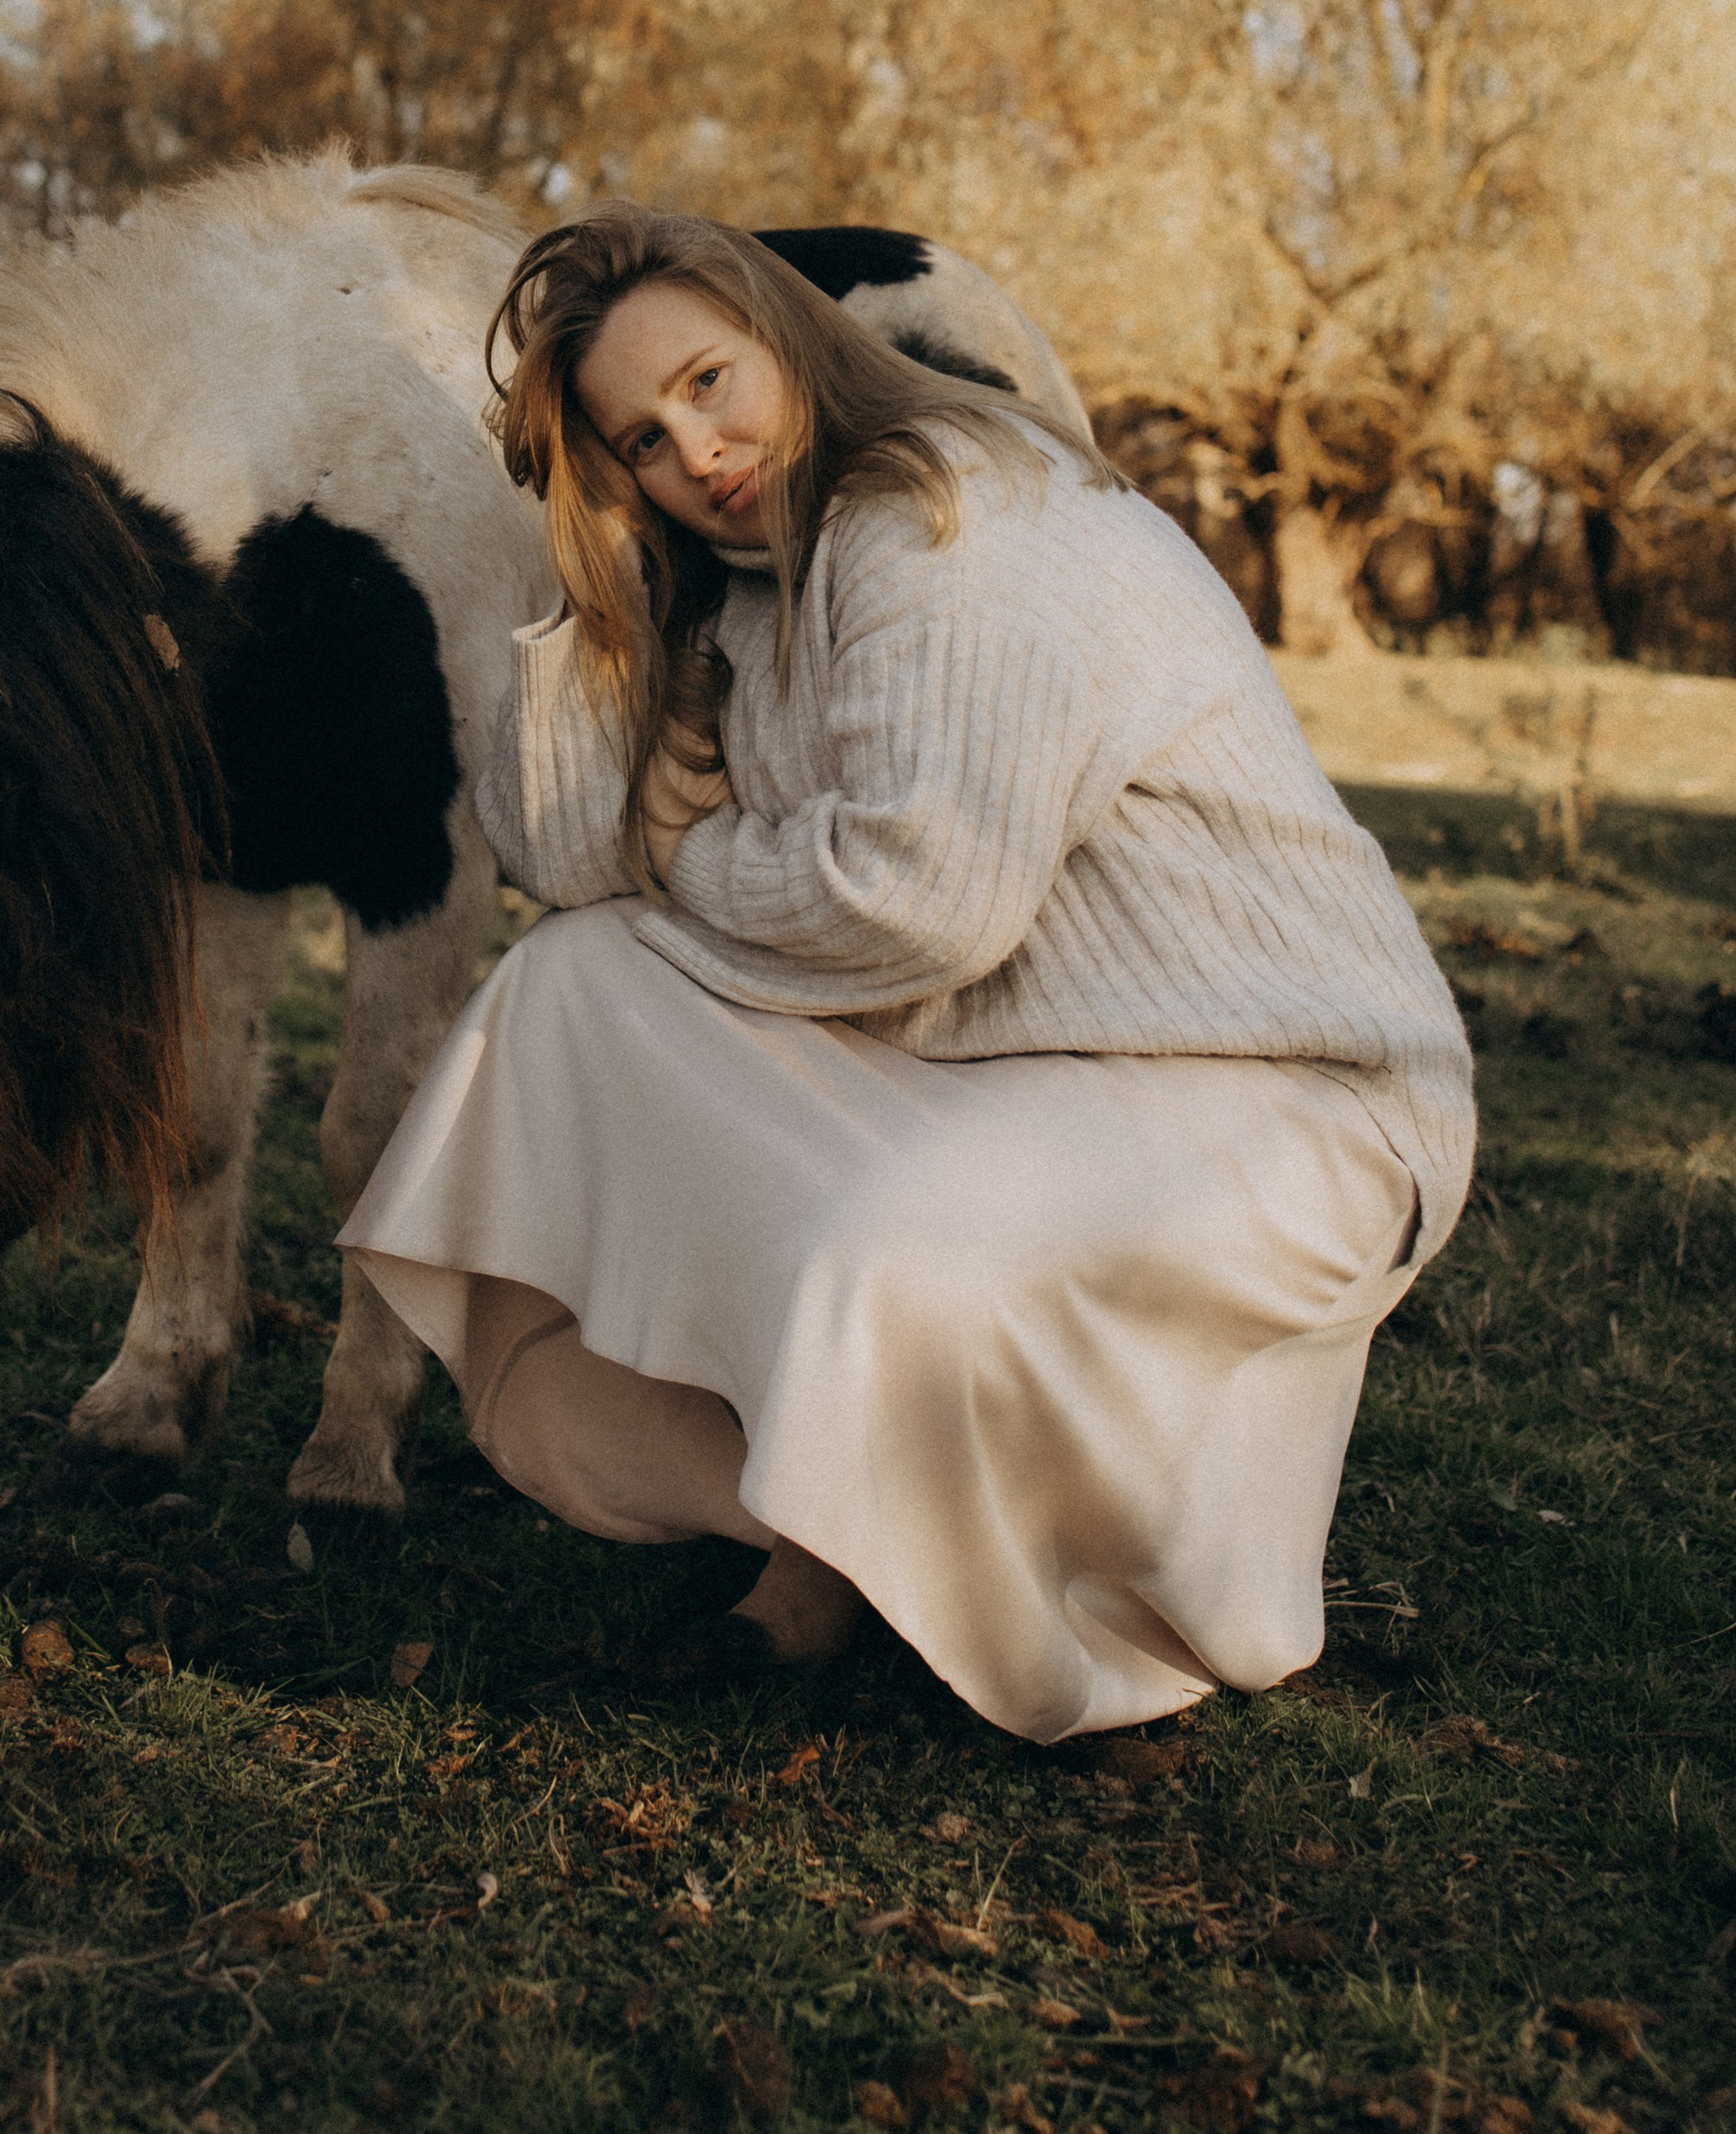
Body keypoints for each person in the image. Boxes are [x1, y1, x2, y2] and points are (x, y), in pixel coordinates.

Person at [340, 209, 1474, 1741]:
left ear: (791, 338)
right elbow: (565, 854)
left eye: (711, 382)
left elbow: (919, 905)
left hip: (1282, 1086)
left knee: (876, 1258)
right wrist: (591, 576)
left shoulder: (951, 514)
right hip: (1010, 1062)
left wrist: (694, 851)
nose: (699, 449)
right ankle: (840, 1518)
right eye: (642, 442)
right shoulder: (740, 588)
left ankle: (1002, 1567)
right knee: (571, 985)